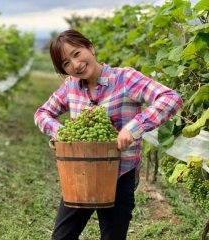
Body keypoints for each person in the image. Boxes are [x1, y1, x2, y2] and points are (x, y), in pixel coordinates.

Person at [33, 29, 183, 240]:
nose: (75, 65)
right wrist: (62, 132)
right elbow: (42, 113)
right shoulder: (71, 87)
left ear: (90, 48)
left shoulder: (125, 78)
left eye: (76, 54)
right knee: (61, 237)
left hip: (120, 176)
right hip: (80, 175)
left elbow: (171, 98)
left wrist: (134, 127)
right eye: (66, 63)